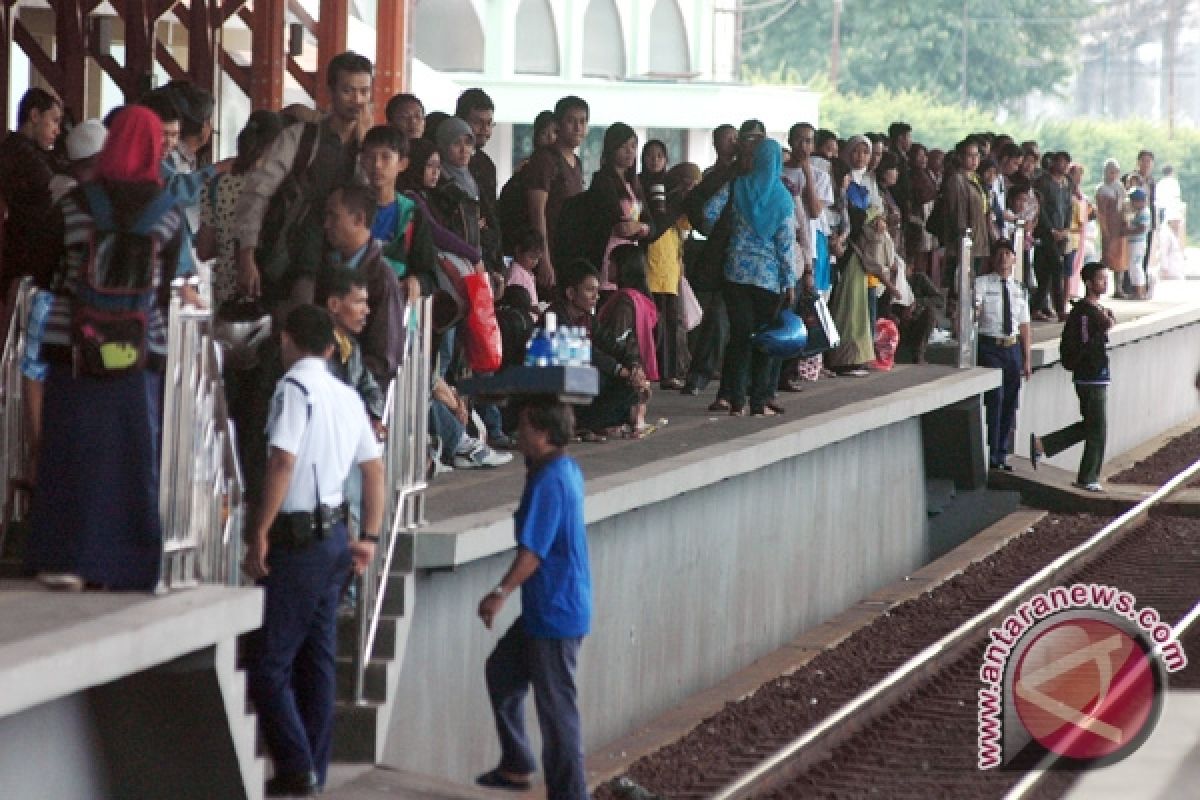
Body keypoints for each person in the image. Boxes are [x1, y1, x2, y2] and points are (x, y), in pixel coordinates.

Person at [24, 105, 184, 592]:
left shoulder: (75, 204)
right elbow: (165, 288)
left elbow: (44, 266)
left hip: (74, 344)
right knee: (133, 455)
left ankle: (65, 558)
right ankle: (129, 564)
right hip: (138, 351)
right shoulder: (169, 212)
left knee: (70, 450)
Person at [244, 304, 383, 797]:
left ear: (287, 340)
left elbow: (282, 461)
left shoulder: (293, 389)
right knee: (318, 663)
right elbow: (374, 468)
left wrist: (259, 529)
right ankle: (313, 773)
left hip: (299, 543)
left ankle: (297, 767)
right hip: (336, 542)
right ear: (329, 347)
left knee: (269, 663)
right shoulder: (348, 397)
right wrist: (369, 535)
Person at [476, 395, 591, 800]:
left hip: (555, 613)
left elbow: (533, 553)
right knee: (502, 672)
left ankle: (570, 794)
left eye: (524, 425)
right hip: (549, 609)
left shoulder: (549, 481)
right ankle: (517, 762)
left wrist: (499, 593)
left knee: (557, 714)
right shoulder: (560, 469)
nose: (518, 432)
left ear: (542, 431)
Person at [234, 52, 374, 308]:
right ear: (330, 91)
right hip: (292, 256)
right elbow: (257, 192)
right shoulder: (300, 138)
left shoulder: (372, 148)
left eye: (365, 92)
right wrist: (247, 253)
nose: (358, 101)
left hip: (348, 259)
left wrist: (366, 147)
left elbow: (376, 199)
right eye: (348, 91)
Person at [703, 137, 797, 416]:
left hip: (736, 273)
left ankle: (735, 401)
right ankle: (758, 401)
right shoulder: (783, 199)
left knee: (740, 336)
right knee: (764, 339)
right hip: (768, 279)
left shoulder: (737, 186)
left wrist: (728, 232)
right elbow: (786, 245)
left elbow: (708, 214)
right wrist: (789, 281)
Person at [1031, 262, 1116, 493]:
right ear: (1088, 283)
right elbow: (1086, 343)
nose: (1105, 283)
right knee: (1098, 429)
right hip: (1090, 376)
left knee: (1092, 426)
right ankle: (1088, 477)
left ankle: (1043, 444)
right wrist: (1104, 327)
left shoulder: (1096, 310)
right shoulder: (1085, 313)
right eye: (1100, 279)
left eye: (1106, 279)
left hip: (1096, 375)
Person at [322, 183, 408, 387]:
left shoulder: (382, 280)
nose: (326, 224)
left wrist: (341, 384)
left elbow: (383, 360)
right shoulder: (328, 268)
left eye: (333, 216)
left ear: (359, 219)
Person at [197, 110, 284, 307]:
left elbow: (204, 250)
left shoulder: (215, 185)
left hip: (226, 298)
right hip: (267, 294)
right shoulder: (276, 186)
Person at [358, 124, 436, 300]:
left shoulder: (412, 214)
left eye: (386, 157)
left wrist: (417, 282)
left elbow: (429, 276)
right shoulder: (347, 207)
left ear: (402, 164)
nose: (377, 165)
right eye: (370, 157)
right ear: (361, 161)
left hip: (395, 309)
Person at [0, 88, 63, 300]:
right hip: (23, 254)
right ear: (34, 116)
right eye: (54, 121)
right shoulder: (21, 154)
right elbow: (53, 187)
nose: (57, 130)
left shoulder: (18, 149)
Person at [975, 242, 1032, 471]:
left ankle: (1001, 452)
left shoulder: (1019, 289)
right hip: (990, 346)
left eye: (1008, 254)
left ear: (1015, 259)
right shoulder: (981, 284)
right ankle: (990, 453)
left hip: (1012, 348)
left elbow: (1025, 325)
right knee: (995, 399)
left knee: (1009, 401)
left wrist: (1026, 358)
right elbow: (974, 311)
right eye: (999, 254)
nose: (1003, 258)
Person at [525, 96, 589, 291]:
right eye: (571, 121)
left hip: (571, 252)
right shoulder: (546, 159)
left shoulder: (577, 163)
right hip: (549, 254)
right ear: (559, 124)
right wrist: (544, 259)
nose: (577, 127)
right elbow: (537, 212)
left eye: (583, 121)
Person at [1095, 159, 1128, 291]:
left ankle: (1118, 288)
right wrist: (1104, 228)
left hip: (1119, 225)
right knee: (1107, 256)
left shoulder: (1120, 187)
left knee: (1120, 257)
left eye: (1115, 172)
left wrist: (1125, 222)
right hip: (1107, 223)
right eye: (1110, 172)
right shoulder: (1101, 188)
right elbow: (1100, 211)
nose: (1112, 175)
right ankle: (1100, 284)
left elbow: (1124, 207)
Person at [1124, 188, 1151, 299]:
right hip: (1134, 242)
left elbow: (1142, 228)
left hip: (1137, 243)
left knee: (1135, 266)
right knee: (1134, 266)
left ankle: (1138, 291)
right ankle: (1139, 291)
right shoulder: (1139, 212)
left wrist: (1128, 230)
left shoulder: (1144, 212)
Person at [506, 227, 543, 307]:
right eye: (531, 257)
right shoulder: (516, 273)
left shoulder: (526, 272)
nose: (535, 262)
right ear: (518, 251)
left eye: (537, 258)